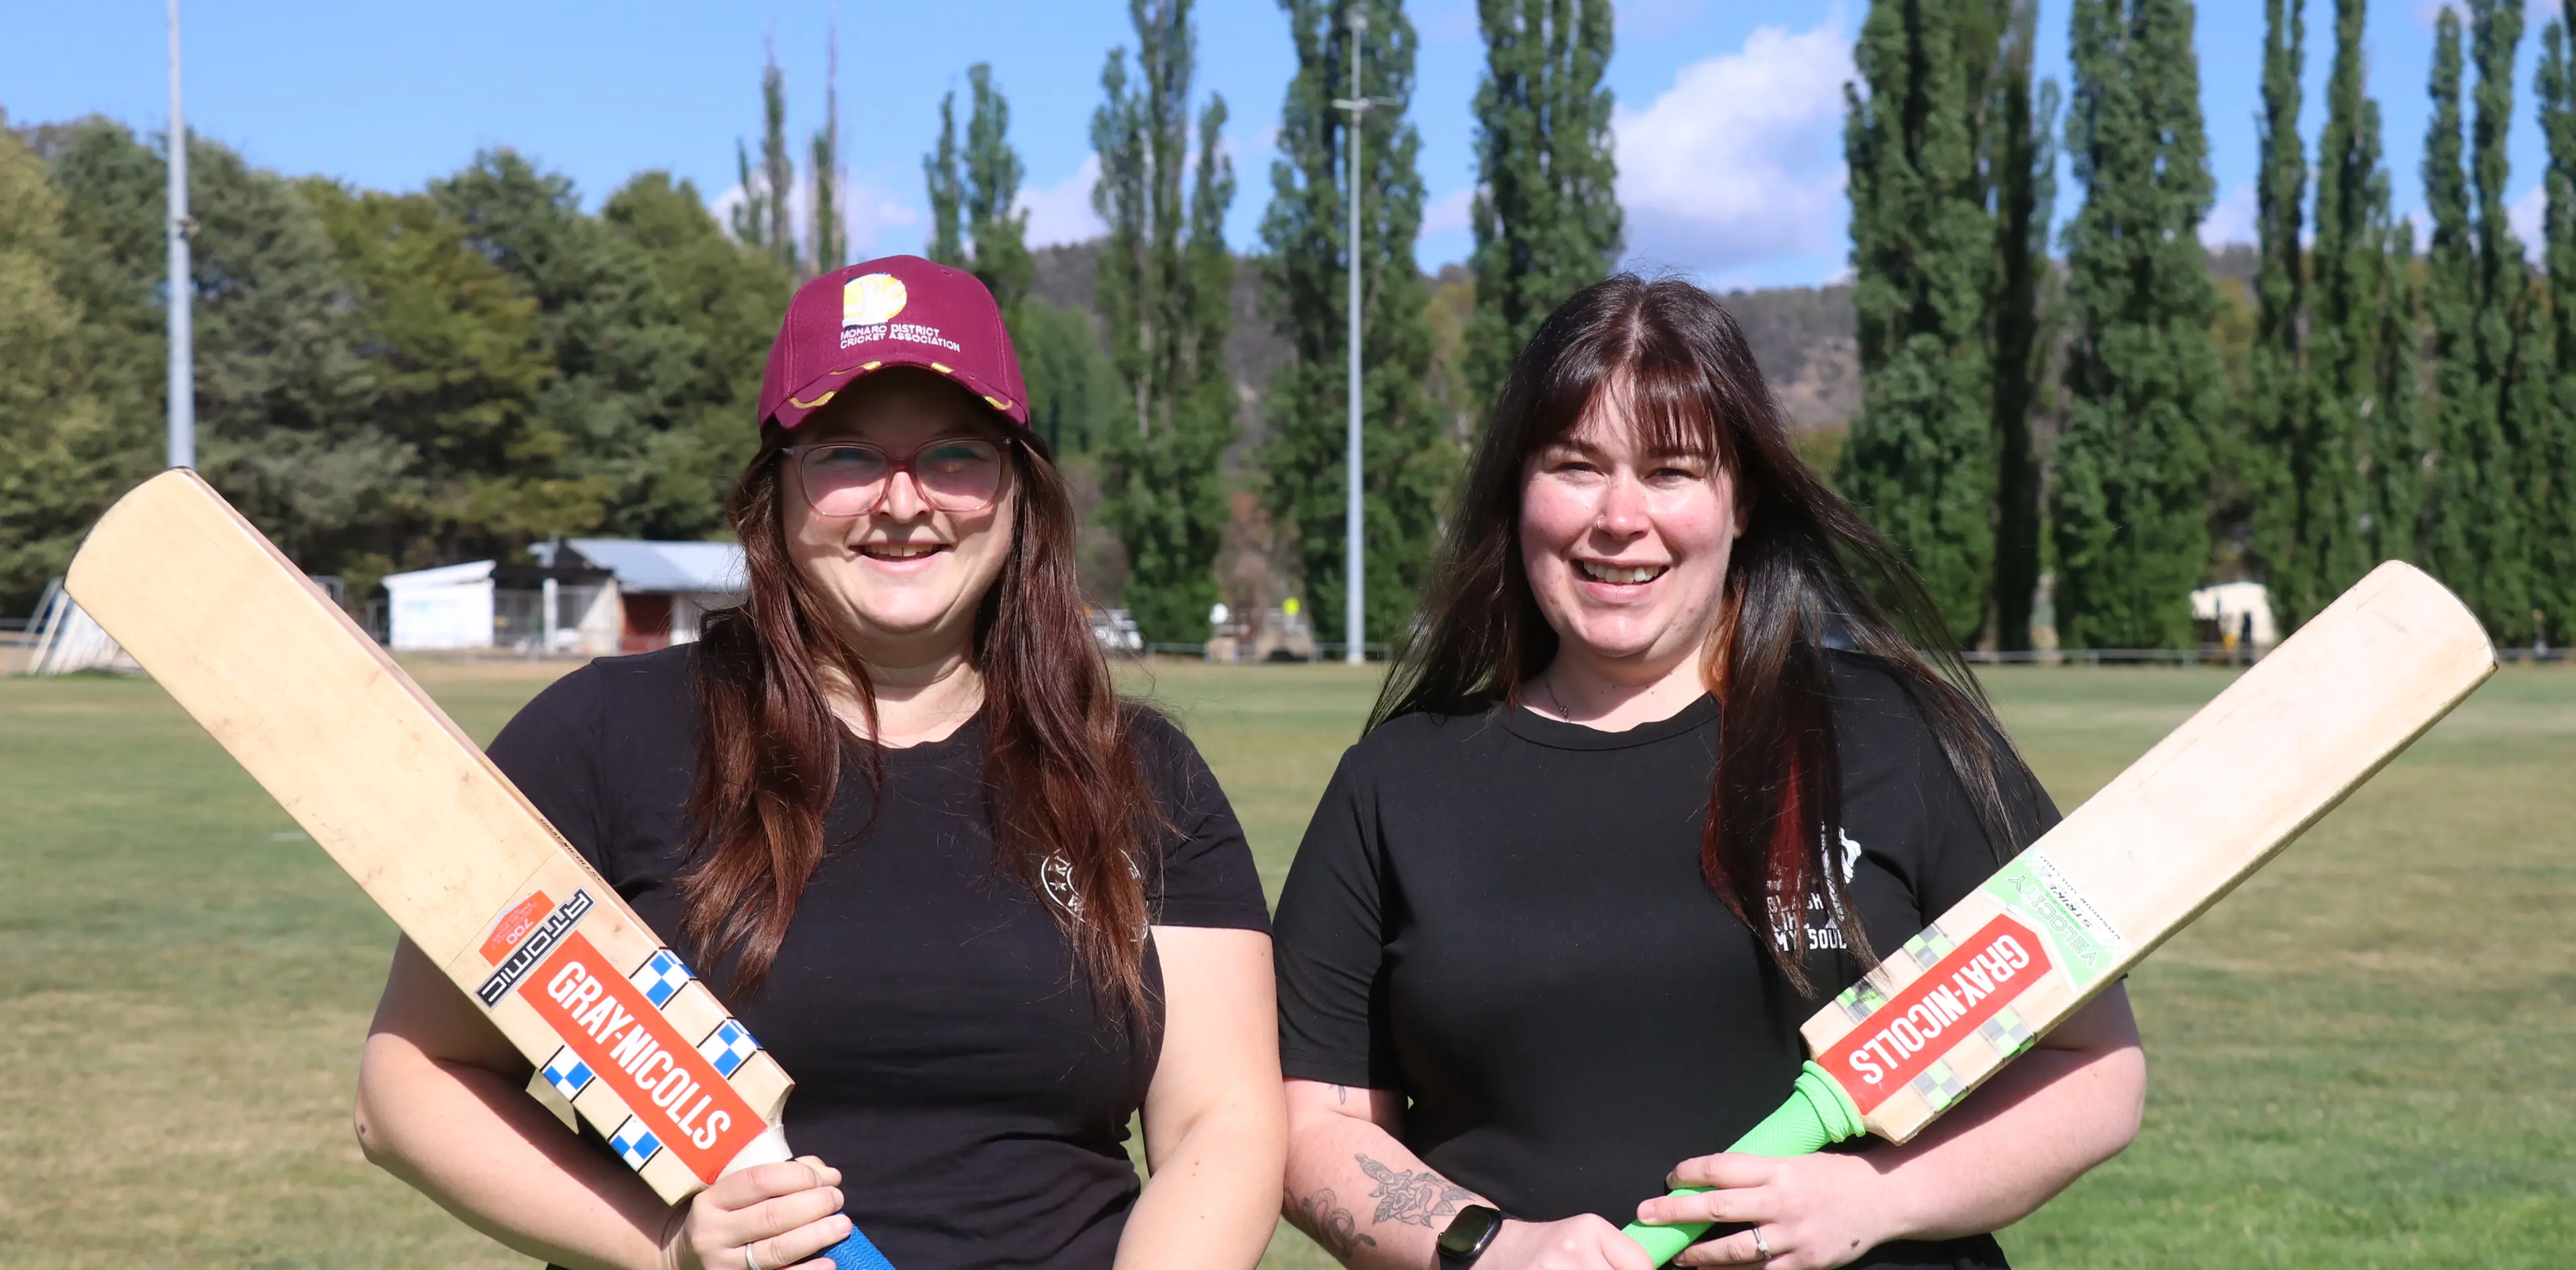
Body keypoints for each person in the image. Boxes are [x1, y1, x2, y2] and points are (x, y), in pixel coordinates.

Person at [354, 256, 1285, 1270]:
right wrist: (667, 1243)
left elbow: (1220, 1124)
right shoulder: (602, 738)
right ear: (777, 489)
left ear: (1016, 488)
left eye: (955, 457)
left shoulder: (1137, 770)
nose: (901, 501)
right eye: (846, 455)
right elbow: (415, 1082)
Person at [1272, 276, 2145, 1270]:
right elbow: (1313, 1132)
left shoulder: (1898, 737)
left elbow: (2093, 1071)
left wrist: (1871, 1197)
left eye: (1673, 471)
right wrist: (1493, 1250)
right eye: (1574, 465)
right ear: (1519, 487)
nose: (1619, 517)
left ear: (1745, 501)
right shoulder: (1398, 784)